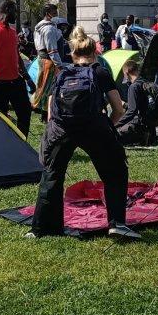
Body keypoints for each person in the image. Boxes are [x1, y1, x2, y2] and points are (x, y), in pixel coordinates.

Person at [27, 26, 139, 241]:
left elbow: (51, 109)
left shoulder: (63, 73)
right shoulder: (99, 71)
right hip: (94, 127)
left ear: (72, 53)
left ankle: (41, 228)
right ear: (95, 52)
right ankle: (116, 223)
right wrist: (109, 127)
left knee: (52, 175)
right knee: (115, 172)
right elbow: (118, 108)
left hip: (62, 129)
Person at [0, 0, 33, 136]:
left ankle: (21, 142)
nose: (16, 15)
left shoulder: (13, 31)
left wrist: (27, 77)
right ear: (8, 10)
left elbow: (17, 56)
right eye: (15, 11)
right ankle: (1, 145)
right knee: (0, 118)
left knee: (25, 112)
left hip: (16, 81)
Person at [114, 60, 158, 147]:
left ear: (126, 72)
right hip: (150, 126)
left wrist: (116, 125)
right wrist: (124, 104)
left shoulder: (133, 87)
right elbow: (141, 105)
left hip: (139, 126)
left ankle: (141, 137)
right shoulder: (145, 82)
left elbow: (132, 111)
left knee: (114, 136)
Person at [32, 4, 68, 111]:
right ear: (47, 14)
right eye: (53, 13)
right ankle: (41, 108)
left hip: (42, 58)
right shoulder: (49, 29)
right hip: (49, 61)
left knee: (42, 84)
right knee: (47, 86)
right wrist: (59, 64)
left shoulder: (40, 26)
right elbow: (52, 49)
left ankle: (39, 106)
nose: (56, 15)